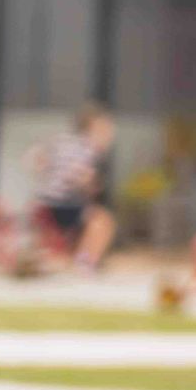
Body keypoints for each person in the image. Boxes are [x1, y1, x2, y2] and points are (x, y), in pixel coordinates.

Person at [27, 100, 118, 273]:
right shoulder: (88, 149)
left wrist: (45, 173)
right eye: (107, 131)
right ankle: (85, 262)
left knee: (81, 221)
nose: (110, 137)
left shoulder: (62, 141)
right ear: (93, 129)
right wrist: (91, 185)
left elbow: (35, 158)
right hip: (65, 204)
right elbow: (82, 178)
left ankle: (55, 259)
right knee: (102, 221)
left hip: (43, 203)